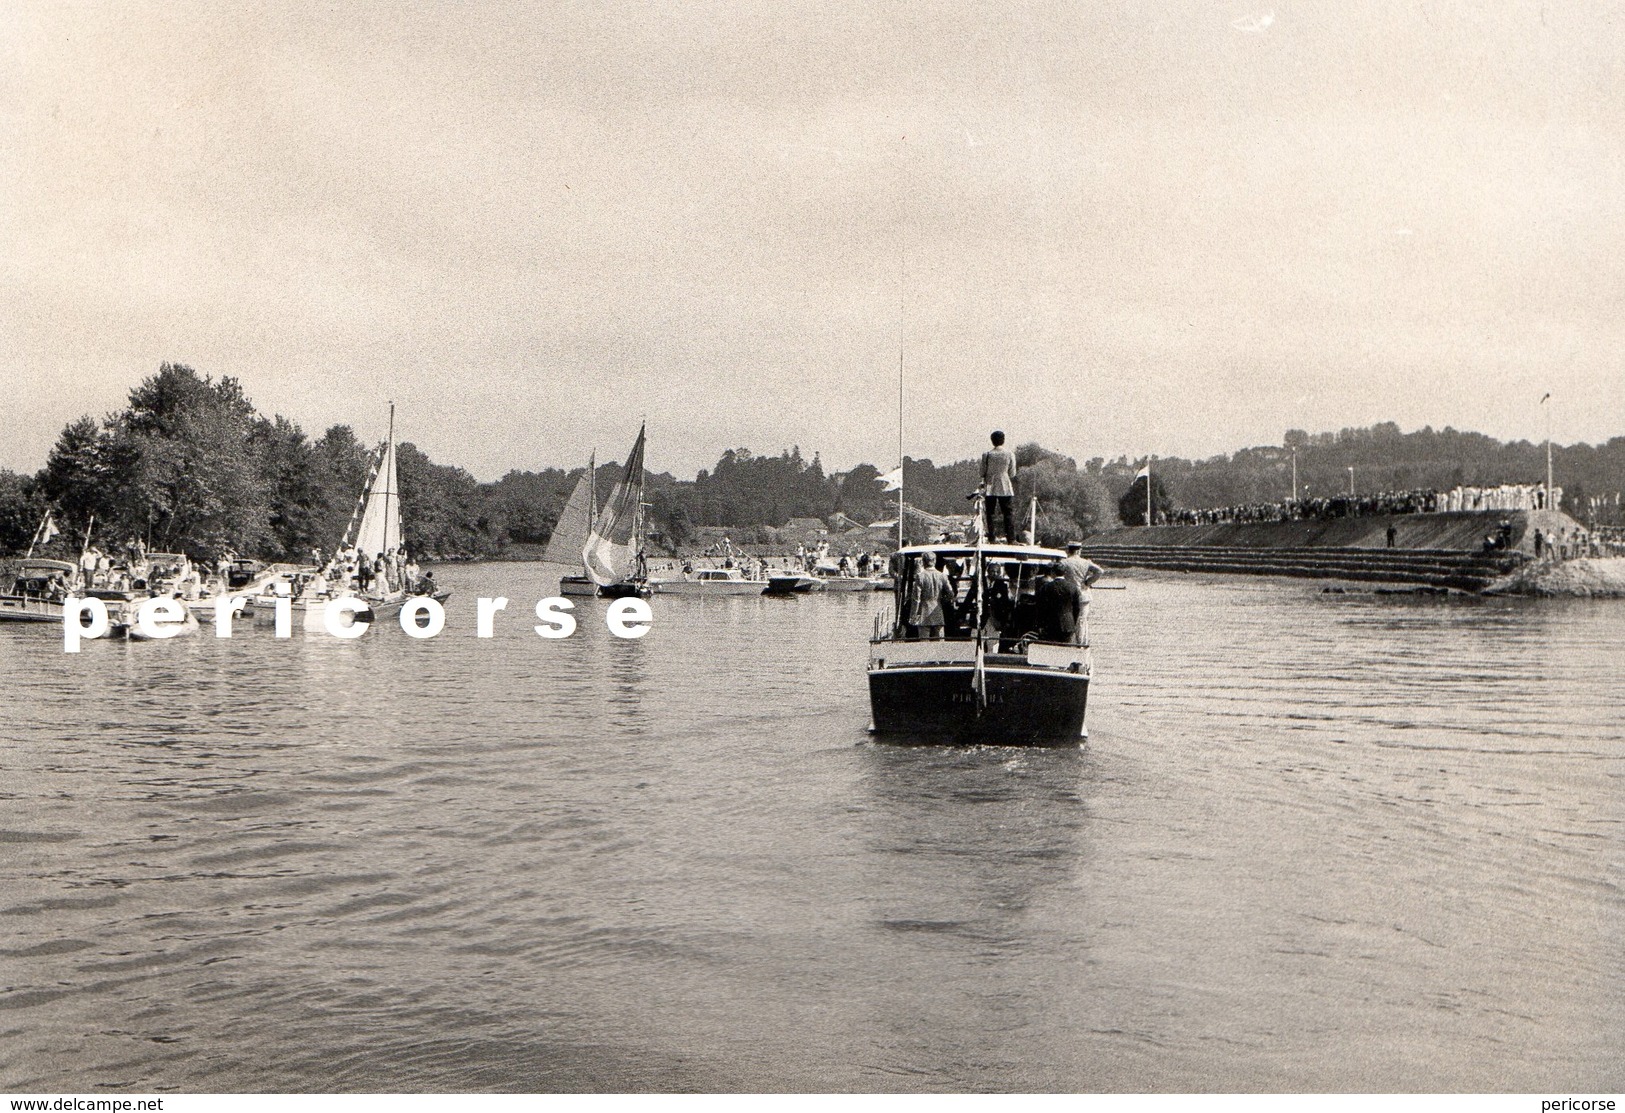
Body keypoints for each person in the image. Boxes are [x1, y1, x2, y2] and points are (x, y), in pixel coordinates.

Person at [980, 430, 1018, 542]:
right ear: (1003, 440)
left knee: (990, 513)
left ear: (992, 441)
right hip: (1005, 485)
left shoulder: (986, 455)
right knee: (1008, 513)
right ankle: (1011, 538)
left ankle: (991, 537)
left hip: (990, 486)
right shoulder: (1010, 454)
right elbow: (1012, 473)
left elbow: (982, 472)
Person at [906, 553, 952, 639]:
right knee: (939, 642)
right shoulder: (942, 576)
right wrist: (944, 600)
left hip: (924, 612)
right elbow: (951, 593)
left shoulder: (920, 576)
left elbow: (916, 598)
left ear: (923, 562)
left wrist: (913, 615)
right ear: (934, 561)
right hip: (938, 611)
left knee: (924, 643)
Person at [1036, 563, 1081, 644]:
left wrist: (1040, 624)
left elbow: (1041, 607)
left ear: (1052, 572)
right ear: (1065, 572)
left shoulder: (1046, 587)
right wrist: (1073, 621)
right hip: (1068, 623)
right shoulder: (1073, 587)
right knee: (1066, 649)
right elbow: (1077, 608)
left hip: (1050, 624)